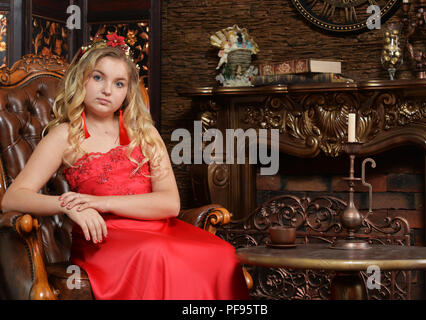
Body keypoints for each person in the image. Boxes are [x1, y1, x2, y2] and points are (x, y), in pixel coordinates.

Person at [1, 33, 250, 300]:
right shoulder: (65, 135)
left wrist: (100, 202)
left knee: (222, 254)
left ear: (128, 91)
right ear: (81, 79)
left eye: (118, 83)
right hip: (105, 240)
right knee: (156, 254)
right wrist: (68, 205)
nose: (107, 90)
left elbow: (170, 204)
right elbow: (13, 198)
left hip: (160, 231)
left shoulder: (144, 133)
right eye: (98, 78)